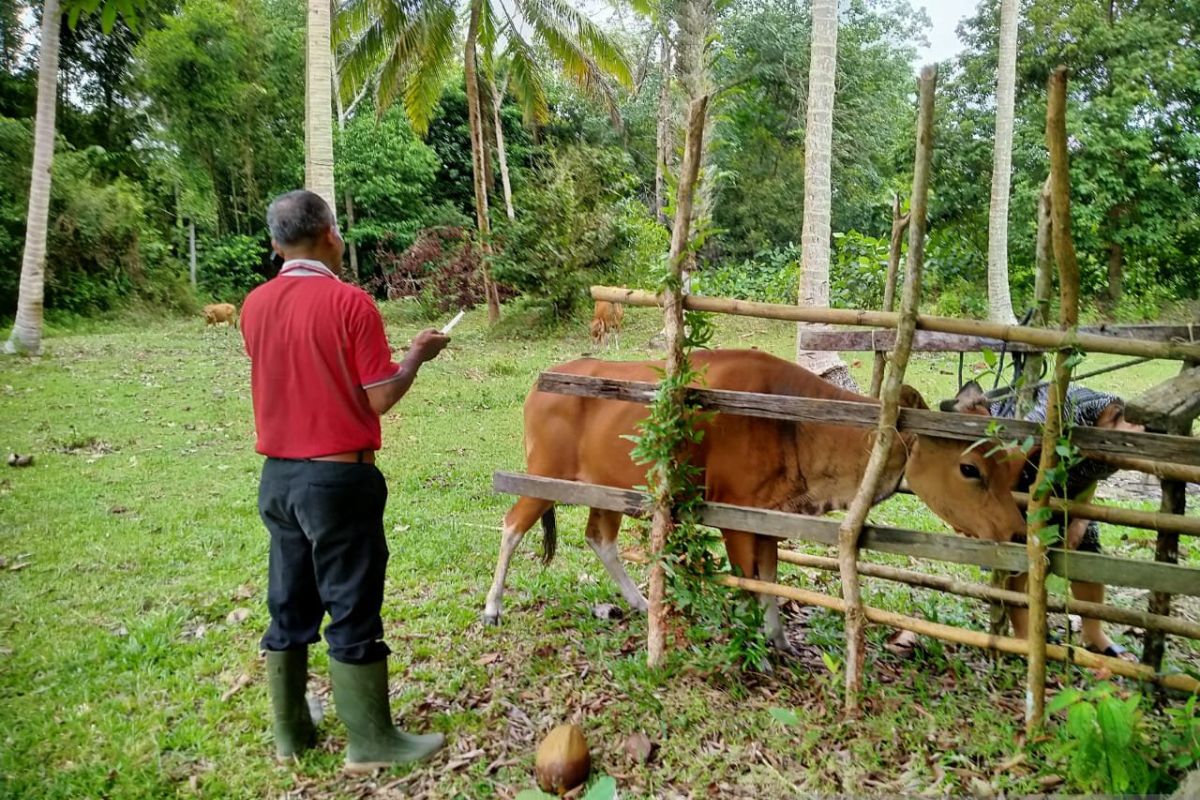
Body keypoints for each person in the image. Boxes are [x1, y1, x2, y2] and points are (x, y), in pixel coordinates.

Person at [241, 190, 451, 771]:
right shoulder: (351, 304)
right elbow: (379, 396)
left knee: (289, 600)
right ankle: (371, 743)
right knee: (353, 602)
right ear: (331, 234)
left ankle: (291, 734)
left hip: (277, 480)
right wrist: (415, 357)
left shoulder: (253, 305)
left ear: (276, 243)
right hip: (337, 480)